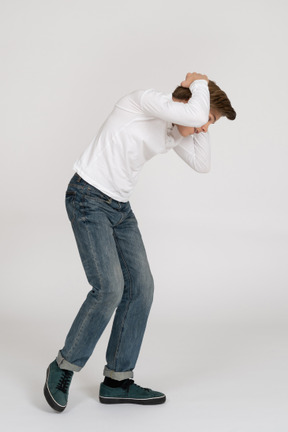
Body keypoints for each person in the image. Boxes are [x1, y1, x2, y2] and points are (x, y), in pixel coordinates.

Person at [44, 72, 236, 412]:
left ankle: (117, 380)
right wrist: (199, 83)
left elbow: (202, 164)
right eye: (207, 119)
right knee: (109, 288)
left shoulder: (172, 132)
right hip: (87, 196)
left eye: (211, 124)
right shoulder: (143, 102)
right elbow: (191, 116)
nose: (205, 127)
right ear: (189, 103)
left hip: (120, 208)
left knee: (142, 287)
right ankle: (63, 367)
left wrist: (201, 119)